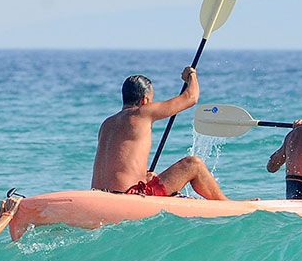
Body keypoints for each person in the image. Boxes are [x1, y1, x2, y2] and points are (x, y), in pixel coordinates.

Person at [91, 67, 227, 200]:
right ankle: (228, 205)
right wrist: (191, 75)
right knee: (193, 164)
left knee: (152, 177)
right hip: (128, 195)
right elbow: (191, 97)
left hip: (98, 194)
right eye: (151, 100)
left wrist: (145, 177)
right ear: (144, 101)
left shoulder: (107, 124)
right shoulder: (142, 113)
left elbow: (120, 163)